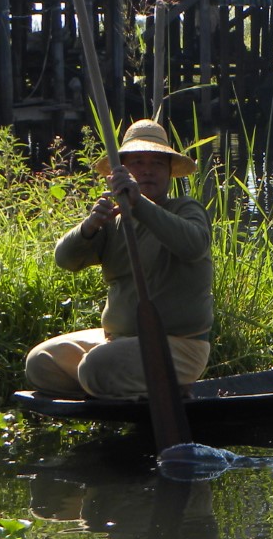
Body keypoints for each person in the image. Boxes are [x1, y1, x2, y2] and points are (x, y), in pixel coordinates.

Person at [25, 119, 213, 399]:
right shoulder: (114, 220)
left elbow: (194, 245)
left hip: (179, 347)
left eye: (158, 163)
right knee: (40, 363)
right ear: (120, 171)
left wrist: (140, 204)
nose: (148, 170)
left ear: (170, 171)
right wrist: (89, 226)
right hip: (118, 342)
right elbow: (66, 260)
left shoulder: (185, 209)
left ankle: (127, 385)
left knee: (95, 368)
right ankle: (124, 390)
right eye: (137, 162)